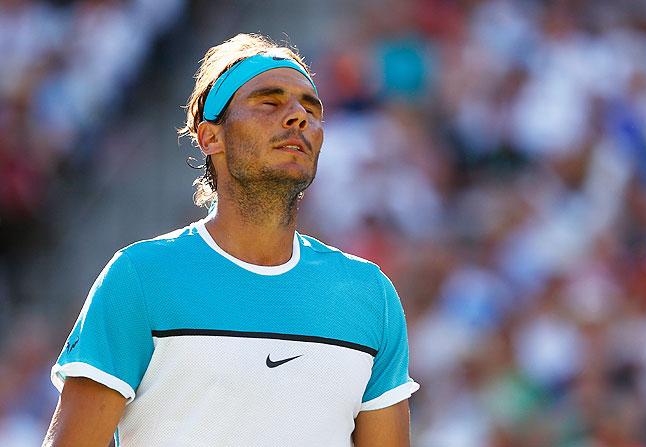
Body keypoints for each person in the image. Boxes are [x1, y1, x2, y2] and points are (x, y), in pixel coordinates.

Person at [42, 33, 419, 447]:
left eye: (310, 108)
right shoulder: (139, 278)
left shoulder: (369, 295)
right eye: (269, 102)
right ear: (210, 137)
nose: (298, 117)